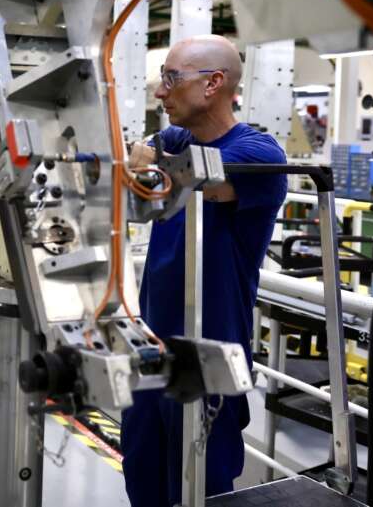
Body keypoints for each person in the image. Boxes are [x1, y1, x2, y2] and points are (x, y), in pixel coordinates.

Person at [121, 35, 287, 506]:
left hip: (209, 360)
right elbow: (151, 148)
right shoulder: (179, 138)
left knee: (200, 491)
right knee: (142, 480)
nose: (160, 91)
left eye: (171, 78)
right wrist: (147, 151)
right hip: (153, 354)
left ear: (214, 83)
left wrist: (152, 158)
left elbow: (195, 178)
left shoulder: (260, 154)